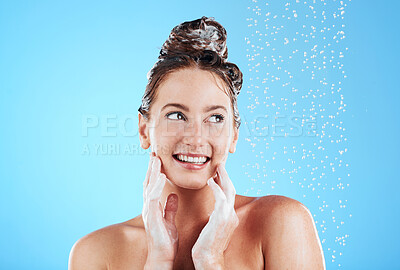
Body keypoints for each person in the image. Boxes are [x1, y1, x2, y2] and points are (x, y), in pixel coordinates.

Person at [68, 16, 325, 270]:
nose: (195, 138)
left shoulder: (281, 224)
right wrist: (158, 260)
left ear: (234, 135)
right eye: (176, 115)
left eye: (215, 118)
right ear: (144, 130)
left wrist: (210, 260)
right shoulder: (96, 253)